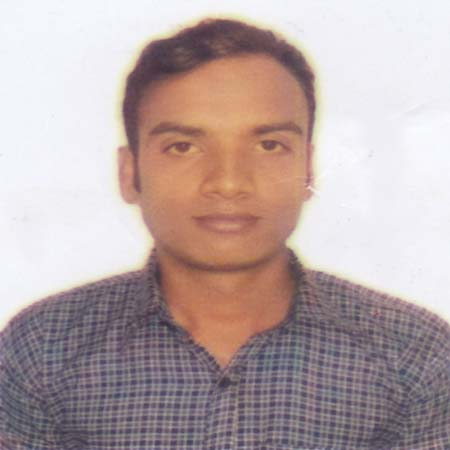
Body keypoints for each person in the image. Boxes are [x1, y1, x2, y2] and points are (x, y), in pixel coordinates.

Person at [1, 17, 449, 450]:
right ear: (130, 173)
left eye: (269, 145)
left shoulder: (415, 356)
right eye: (183, 147)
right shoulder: (43, 350)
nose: (229, 182)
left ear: (308, 170)